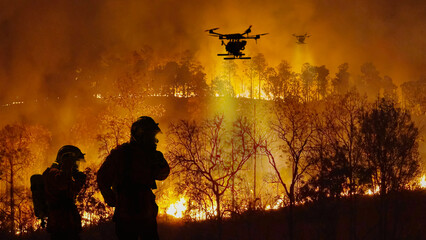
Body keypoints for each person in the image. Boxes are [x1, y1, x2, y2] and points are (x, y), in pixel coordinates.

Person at [97, 116, 170, 240]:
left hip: (146, 213)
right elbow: (102, 177)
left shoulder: (152, 155)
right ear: (141, 135)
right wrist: (112, 199)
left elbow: (163, 174)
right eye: (151, 136)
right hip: (127, 214)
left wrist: (158, 161)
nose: (154, 140)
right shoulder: (121, 154)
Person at [43, 145, 87, 240]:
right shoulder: (53, 173)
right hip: (60, 227)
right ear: (68, 160)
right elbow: (61, 185)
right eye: (75, 162)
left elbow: (71, 192)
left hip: (69, 227)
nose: (77, 165)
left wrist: (79, 181)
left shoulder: (62, 175)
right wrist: (68, 168)